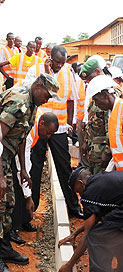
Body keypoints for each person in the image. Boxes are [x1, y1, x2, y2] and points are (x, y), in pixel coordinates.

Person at [0, 73, 60, 272]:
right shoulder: (18, 101)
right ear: (38, 86)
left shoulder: (33, 105)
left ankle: (4, 248)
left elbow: (21, 137)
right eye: (47, 94)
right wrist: (1, 175)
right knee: (1, 205)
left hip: (6, 157)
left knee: (8, 204)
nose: (48, 99)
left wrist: (22, 170)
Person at [23, 45, 83, 219]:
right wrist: (48, 71)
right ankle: (30, 210)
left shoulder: (68, 72)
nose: (59, 66)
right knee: (35, 166)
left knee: (64, 167)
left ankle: (73, 207)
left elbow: (71, 99)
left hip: (59, 128)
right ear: (50, 58)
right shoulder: (36, 69)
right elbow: (29, 92)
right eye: (57, 62)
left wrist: (70, 123)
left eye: (62, 62)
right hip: (39, 127)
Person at [11, 112, 59, 239]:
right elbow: (22, 167)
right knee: (15, 191)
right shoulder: (29, 134)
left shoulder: (37, 129)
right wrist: (28, 197)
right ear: (41, 123)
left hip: (21, 158)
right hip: (11, 158)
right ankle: (12, 228)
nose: (48, 136)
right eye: (48, 132)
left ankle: (23, 221)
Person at [79, 55, 114, 174]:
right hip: (94, 149)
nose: (88, 82)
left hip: (103, 152)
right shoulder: (95, 88)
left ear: (98, 71)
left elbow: (112, 127)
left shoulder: (110, 90)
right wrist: (85, 142)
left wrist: (107, 153)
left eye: (90, 78)